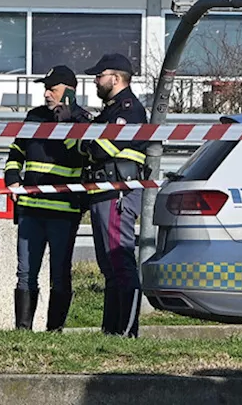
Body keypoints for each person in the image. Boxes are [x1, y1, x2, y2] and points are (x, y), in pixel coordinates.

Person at [4, 66, 92, 332]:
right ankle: (23, 329)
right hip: (30, 209)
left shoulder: (83, 121)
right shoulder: (34, 117)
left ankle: (54, 331)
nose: (46, 94)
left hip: (63, 212)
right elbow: (16, 152)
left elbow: (83, 157)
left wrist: (65, 125)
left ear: (68, 92)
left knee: (59, 276)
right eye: (46, 88)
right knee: (25, 274)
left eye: (52, 89)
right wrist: (11, 178)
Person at [79, 53, 149, 337]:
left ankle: (128, 331)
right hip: (102, 192)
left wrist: (89, 143)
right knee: (108, 266)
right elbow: (87, 146)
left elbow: (97, 149)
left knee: (120, 262)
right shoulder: (109, 112)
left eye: (100, 75)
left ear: (117, 78)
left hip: (116, 192)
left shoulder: (129, 110)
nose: (96, 80)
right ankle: (111, 331)